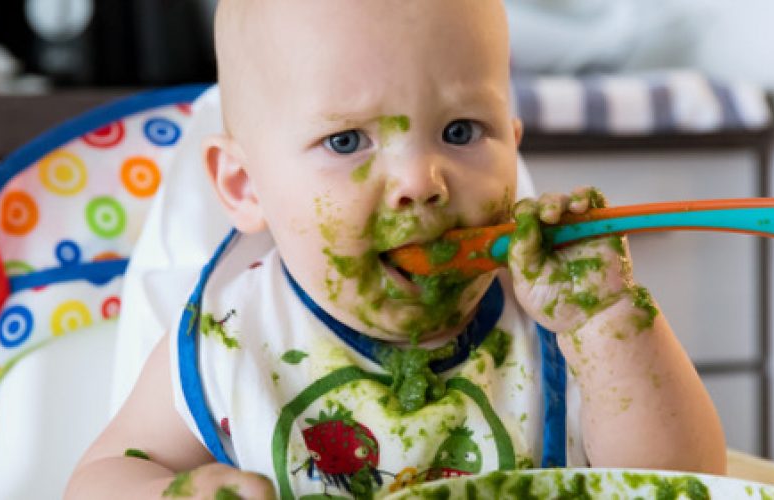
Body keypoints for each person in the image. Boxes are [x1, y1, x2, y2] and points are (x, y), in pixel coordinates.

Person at [66, 1, 725, 498]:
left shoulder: (557, 326)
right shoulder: (234, 336)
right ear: (245, 186)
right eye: (348, 141)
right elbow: (101, 477)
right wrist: (172, 492)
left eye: (462, 130)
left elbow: (685, 482)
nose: (419, 182)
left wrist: (608, 323)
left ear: (513, 144)